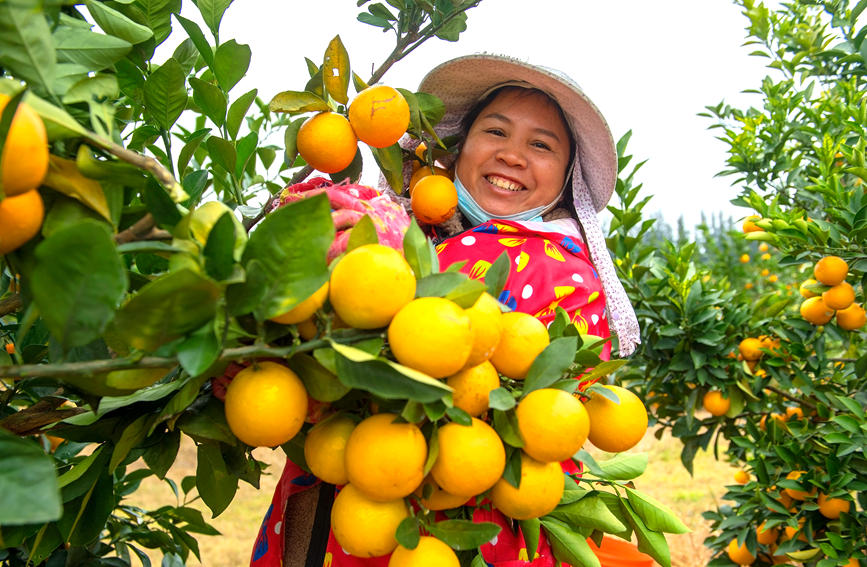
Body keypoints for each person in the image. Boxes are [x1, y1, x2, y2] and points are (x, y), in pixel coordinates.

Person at [249, 54, 641, 567]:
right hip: (340, 501)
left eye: (541, 145)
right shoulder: (410, 233)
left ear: (567, 178)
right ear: (457, 151)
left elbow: (533, 421)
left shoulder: (563, 275)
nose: (513, 155)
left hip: (456, 524)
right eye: (495, 131)